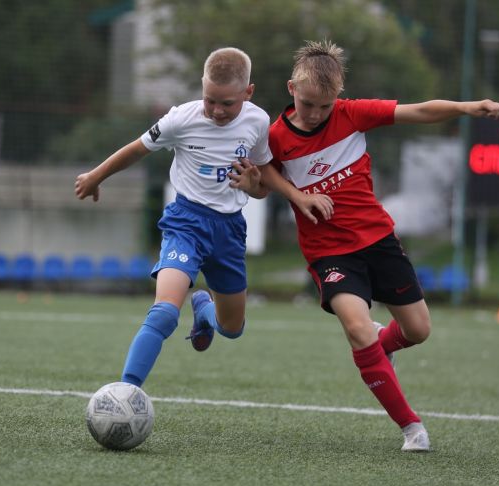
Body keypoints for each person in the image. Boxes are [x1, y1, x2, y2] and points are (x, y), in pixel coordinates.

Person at [261, 40, 499, 452]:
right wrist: (297, 196)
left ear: (338, 96)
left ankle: (382, 345)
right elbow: (264, 175)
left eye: (325, 106)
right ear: (291, 89)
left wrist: (466, 107)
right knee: (357, 329)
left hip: (378, 240)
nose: (316, 114)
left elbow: (418, 111)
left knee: (418, 330)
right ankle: (411, 427)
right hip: (329, 252)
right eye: (308, 104)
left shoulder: (352, 114)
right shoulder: (275, 136)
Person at [74, 47, 330, 389]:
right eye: (210, 100)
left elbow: (261, 184)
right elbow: (136, 148)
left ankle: (204, 309)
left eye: (228, 103)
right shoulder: (181, 119)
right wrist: (96, 176)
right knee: (165, 312)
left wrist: (256, 186)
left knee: (233, 328)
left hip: (229, 230)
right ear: (202, 87)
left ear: (248, 93)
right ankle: (126, 390)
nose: (217, 110)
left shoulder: (257, 122)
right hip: (186, 223)